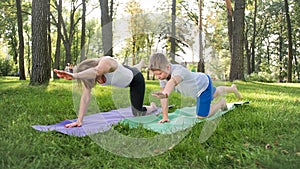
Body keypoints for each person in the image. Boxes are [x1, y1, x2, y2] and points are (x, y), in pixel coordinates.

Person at [54, 56, 157, 128]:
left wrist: (75, 76)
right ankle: (139, 65)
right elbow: (85, 97)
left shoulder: (106, 62)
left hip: (135, 80)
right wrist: (79, 120)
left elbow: (97, 71)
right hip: (125, 73)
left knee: (137, 112)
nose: (92, 82)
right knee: (130, 69)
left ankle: (152, 107)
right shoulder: (90, 76)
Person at [149, 53, 242, 123]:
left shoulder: (179, 71)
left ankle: (221, 103)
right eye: (156, 75)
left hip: (202, 86)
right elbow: (163, 98)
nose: (158, 77)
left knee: (201, 116)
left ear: (168, 67)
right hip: (201, 82)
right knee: (215, 93)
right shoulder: (163, 76)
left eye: (159, 74)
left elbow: (172, 82)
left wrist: (166, 93)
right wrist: (165, 116)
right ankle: (232, 88)